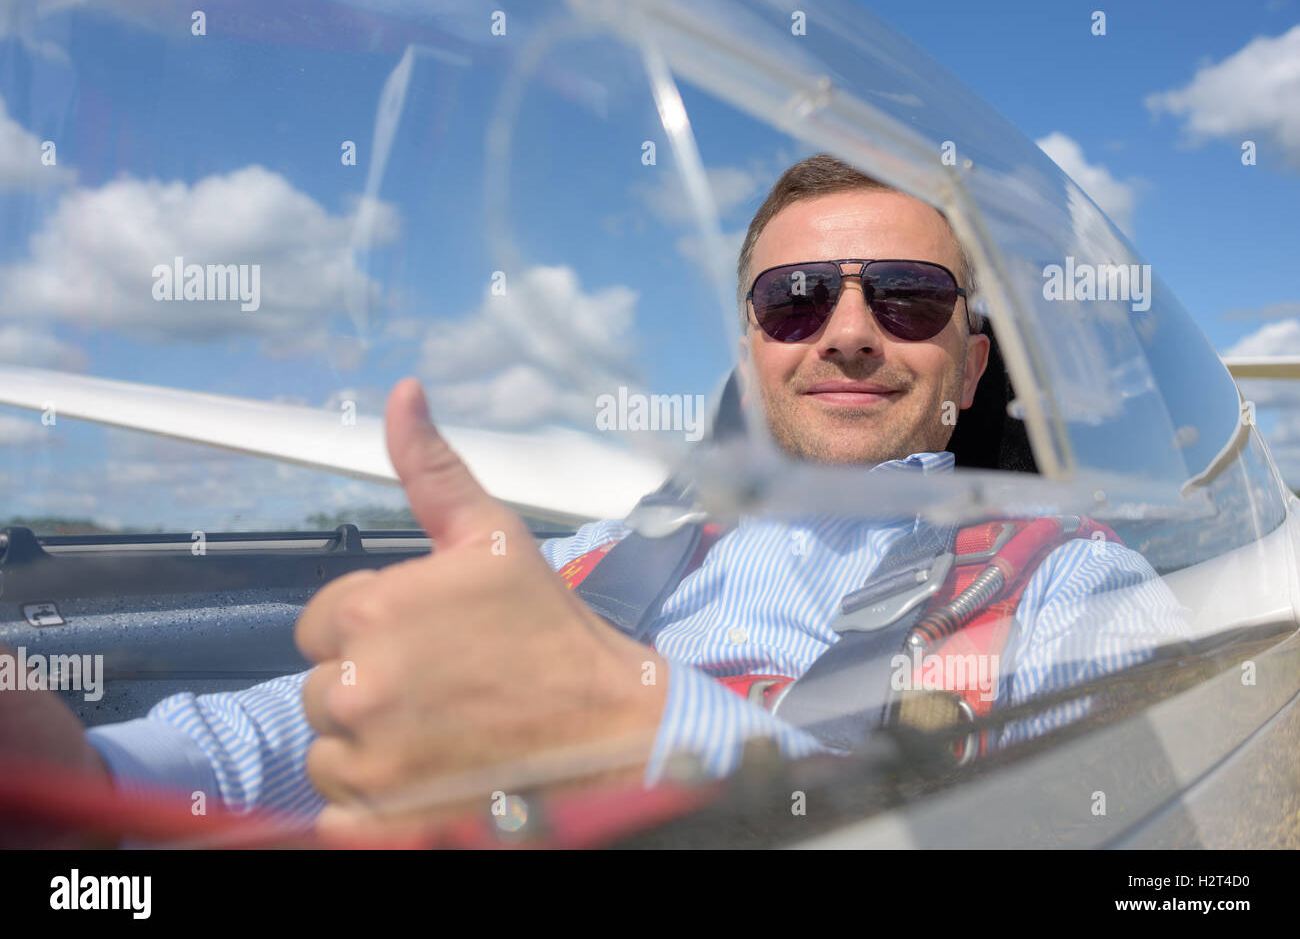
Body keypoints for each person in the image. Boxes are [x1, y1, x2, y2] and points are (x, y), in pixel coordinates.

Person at [0, 154, 1190, 841]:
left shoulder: (1077, 586)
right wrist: (98, 777)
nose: (846, 333)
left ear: (969, 366)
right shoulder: (627, 545)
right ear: (752, 351)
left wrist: (657, 738)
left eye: (907, 298)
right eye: (794, 303)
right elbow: (339, 713)